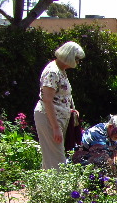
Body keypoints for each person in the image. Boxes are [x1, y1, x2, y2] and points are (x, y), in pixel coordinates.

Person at [34, 41, 85, 169]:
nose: (78, 62)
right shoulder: (53, 71)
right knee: (57, 158)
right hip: (49, 118)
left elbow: (64, 94)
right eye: (77, 59)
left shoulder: (61, 71)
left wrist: (72, 109)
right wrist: (55, 127)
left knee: (52, 157)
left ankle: (46, 187)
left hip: (59, 118)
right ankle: (61, 187)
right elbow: (47, 100)